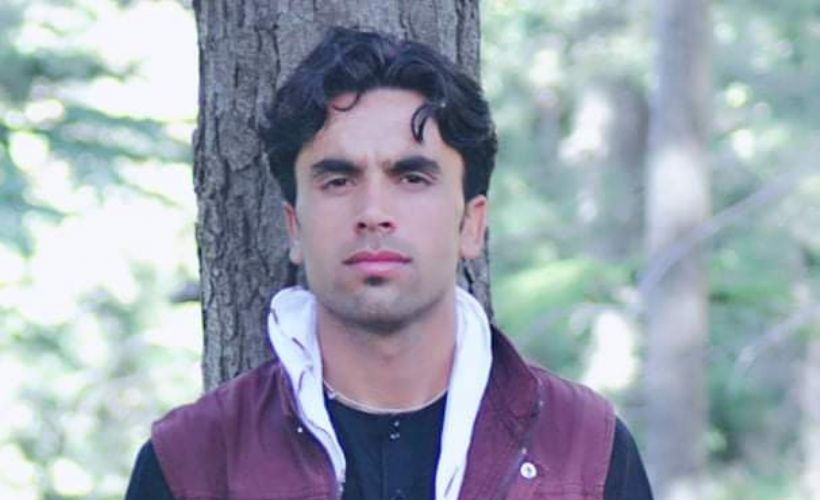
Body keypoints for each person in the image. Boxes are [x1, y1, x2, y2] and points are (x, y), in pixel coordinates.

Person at [126, 27, 653, 500]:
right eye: (338, 180)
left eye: (412, 178)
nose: (373, 211)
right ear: (294, 227)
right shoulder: (191, 464)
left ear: (471, 225)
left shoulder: (586, 452)